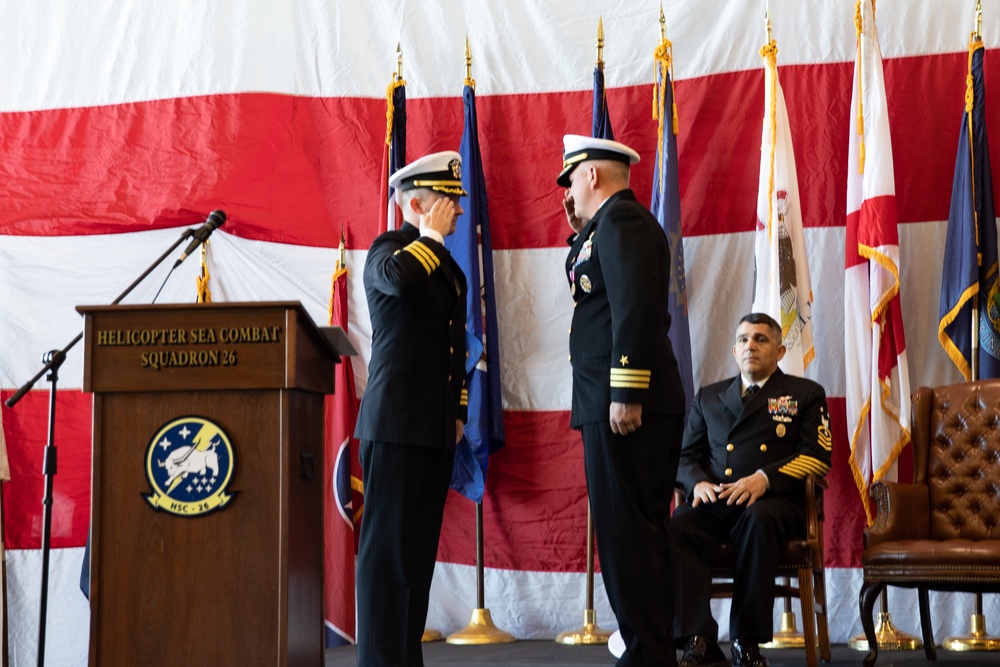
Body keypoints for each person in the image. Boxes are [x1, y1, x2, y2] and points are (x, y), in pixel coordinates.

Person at [559, 134, 686, 667]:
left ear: (591, 174)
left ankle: (647, 653)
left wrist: (626, 392)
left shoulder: (624, 222)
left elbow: (634, 307)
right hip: (611, 401)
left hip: (627, 406)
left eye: (571, 181)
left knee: (628, 534)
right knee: (625, 531)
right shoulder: (606, 226)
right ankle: (649, 648)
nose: (567, 193)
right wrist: (579, 233)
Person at [354, 150, 469, 667]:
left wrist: (460, 409)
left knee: (417, 556)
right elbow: (399, 281)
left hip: (435, 428)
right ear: (419, 203)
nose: (459, 212)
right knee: (386, 557)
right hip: (396, 424)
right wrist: (431, 234)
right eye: (449, 202)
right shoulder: (389, 250)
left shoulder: (447, 267)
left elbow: (458, 346)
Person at [672, 313, 832, 667]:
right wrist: (697, 482)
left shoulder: (804, 393)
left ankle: (746, 641)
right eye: (743, 339)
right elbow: (685, 457)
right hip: (718, 501)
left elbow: (818, 457)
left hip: (774, 503)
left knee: (757, 520)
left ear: (779, 349)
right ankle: (698, 639)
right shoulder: (709, 397)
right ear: (734, 350)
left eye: (760, 339)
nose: (751, 346)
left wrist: (765, 478)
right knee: (679, 524)